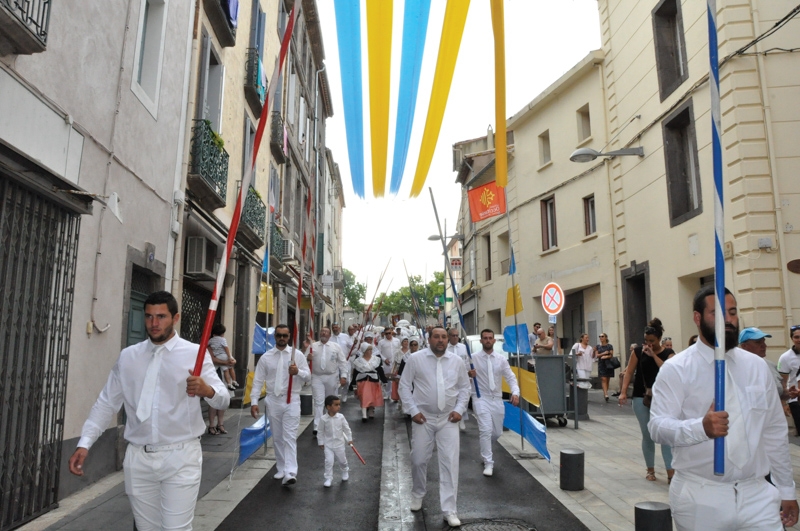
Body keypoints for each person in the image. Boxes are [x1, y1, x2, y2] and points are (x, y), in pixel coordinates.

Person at [68, 291, 229, 531]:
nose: (154, 324)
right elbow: (106, 403)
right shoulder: (128, 357)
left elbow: (223, 400)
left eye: (161, 316)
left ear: (175, 318)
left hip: (181, 455)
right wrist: (85, 443)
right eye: (149, 317)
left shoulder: (195, 354)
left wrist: (207, 391)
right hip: (138, 458)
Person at [649, 285, 798, 530]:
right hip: (701, 496)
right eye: (717, 313)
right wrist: (701, 428)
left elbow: (774, 432)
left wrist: (786, 490)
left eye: (732, 312)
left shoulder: (757, 367)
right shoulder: (676, 369)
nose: (728, 320)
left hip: (758, 495)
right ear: (697, 318)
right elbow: (657, 427)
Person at [399, 326, 471, 528]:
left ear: (448, 340)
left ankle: (450, 509)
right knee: (419, 459)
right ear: (428, 339)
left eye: (444, 337)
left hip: (449, 419)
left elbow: (465, 388)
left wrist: (459, 409)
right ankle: (417, 493)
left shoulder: (456, 362)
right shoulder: (416, 359)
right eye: (437, 337)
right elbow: (404, 385)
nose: (441, 340)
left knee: (449, 462)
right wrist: (413, 411)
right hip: (424, 418)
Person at [250, 324, 311, 486]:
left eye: (285, 335)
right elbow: (257, 381)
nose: (282, 338)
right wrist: (254, 401)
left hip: (291, 399)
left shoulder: (297, 355)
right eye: (279, 335)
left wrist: (297, 371)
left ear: (289, 336)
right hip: (272, 400)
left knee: (289, 436)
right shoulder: (266, 357)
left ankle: (291, 471)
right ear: (274, 336)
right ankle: (282, 467)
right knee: (277, 437)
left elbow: (308, 377)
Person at [618, 319, 674, 482]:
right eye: (646, 341)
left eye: (652, 341)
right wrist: (623, 392)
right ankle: (650, 470)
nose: (648, 344)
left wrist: (653, 355)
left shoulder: (668, 353)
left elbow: (669, 371)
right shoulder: (637, 351)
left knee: (664, 434)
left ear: (659, 339)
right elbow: (629, 372)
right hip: (641, 397)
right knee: (647, 434)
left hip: (663, 399)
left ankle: (670, 472)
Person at [467, 329, 519, 477]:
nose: (488, 340)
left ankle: (485, 448)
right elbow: (462, 378)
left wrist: (515, 392)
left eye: (490, 338)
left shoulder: (501, 359)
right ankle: (488, 462)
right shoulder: (473, 358)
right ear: (481, 341)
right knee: (485, 430)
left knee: (496, 432)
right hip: (480, 397)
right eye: (485, 338)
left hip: (496, 399)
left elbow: (510, 377)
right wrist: (469, 375)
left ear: (494, 341)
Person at [307, 327, 348, 435]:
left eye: (326, 332)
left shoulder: (336, 347)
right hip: (317, 377)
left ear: (330, 335)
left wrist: (343, 376)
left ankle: (330, 424)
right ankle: (317, 426)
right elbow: (303, 359)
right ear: (319, 333)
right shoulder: (313, 346)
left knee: (330, 401)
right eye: (322, 331)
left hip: (331, 377)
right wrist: (308, 358)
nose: (324, 333)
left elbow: (342, 362)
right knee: (318, 401)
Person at [739, 327, 785, 399]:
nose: (764, 346)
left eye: (764, 341)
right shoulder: (739, 368)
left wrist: (789, 394)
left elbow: (779, 393)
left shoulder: (771, 365)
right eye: (758, 342)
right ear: (744, 346)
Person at [317, 395, 352, 488]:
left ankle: (345, 470)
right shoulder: (323, 419)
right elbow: (320, 431)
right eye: (336, 405)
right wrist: (320, 442)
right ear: (328, 407)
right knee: (329, 461)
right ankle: (328, 478)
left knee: (342, 460)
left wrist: (349, 439)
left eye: (339, 404)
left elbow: (347, 429)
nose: (339, 407)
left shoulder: (341, 417)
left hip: (339, 444)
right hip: (328, 445)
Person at [352, 342, 385, 422]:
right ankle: (364, 415)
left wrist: (384, 380)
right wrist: (353, 383)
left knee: (372, 396)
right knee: (364, 396)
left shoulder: (376, 359)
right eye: (368, 350)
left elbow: (380, 370)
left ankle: (371, 410)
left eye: (371, 350)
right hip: (362, 381)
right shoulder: (358, 361)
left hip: (373, 380)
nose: (370, 351)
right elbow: (355, 372)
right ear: (364, 351)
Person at [446, 327, 470, 431]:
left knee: (463, 396)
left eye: (457, 335)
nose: (455, 337)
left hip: (463, 375)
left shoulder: (463, 347)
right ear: (449, 337)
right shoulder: (445, 348)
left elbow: (467, 361)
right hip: (450, 376)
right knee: (453, 397)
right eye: (453, 335)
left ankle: (462, 418)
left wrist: (469, 374)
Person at [777, 325, 800, 436]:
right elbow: (783, 383)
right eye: (796, 337)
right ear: (792, 338)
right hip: (795, 399)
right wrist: (784, 403)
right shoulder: (785, 357)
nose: (799, 339)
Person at [378, 328, 400, 399]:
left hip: (395, 362)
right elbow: (379, 352)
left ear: (391, 333)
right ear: (384, 334)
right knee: (387, 378)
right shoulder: (381, 342)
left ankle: (395, 394)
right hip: (386, 363)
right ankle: (387, 393)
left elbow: (399, 350)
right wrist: (384, 359)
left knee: (395, 378)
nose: (388, 335)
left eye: (389, 333)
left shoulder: (397, 341)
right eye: (386, 333)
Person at [595, 333, 615, 402]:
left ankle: (606, 392)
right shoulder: (598, 346)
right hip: (601, 364)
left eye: (602, 336)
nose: (601, 338)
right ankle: (606, 394)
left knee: (607, 379)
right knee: (603, 378)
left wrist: (607, 356)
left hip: (608, 364)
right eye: (600, 336)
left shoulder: (610, 346)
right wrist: (603, 354)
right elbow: (597, 355)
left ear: (606, 337)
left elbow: (611, 355)